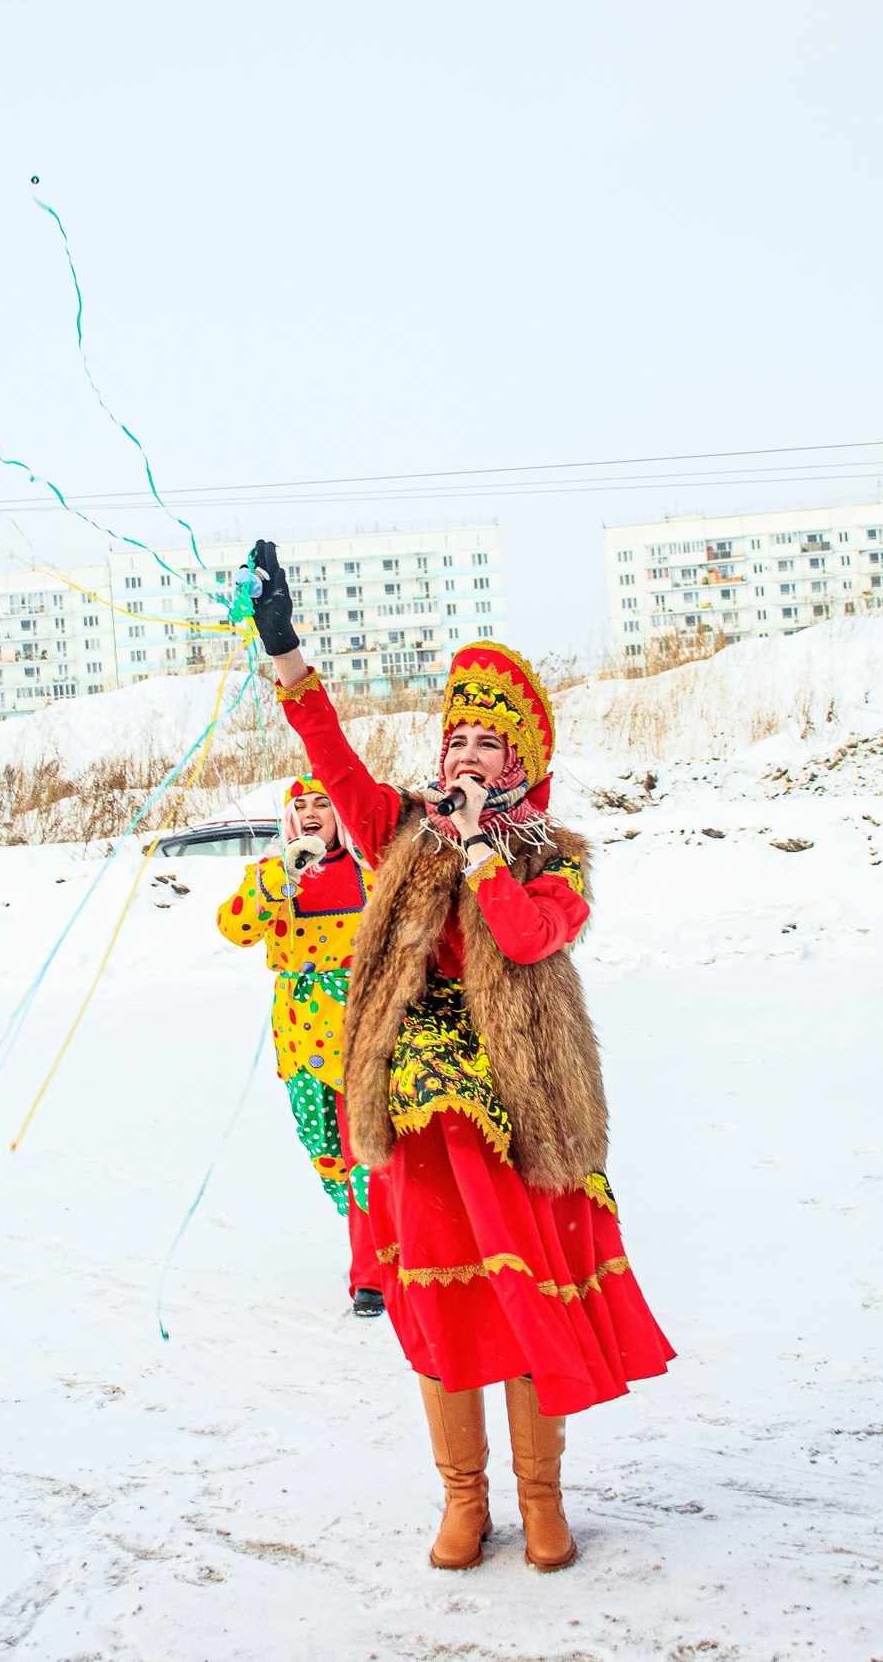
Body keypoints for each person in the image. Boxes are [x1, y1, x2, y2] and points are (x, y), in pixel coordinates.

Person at [246, 538, 673, 1574]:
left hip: (519, 1109)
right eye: (458, 737)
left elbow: (528, 939)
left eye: (490, 739)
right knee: (439, 1301)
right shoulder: (394, 827)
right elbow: (334, 763)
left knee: (523, 1300)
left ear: (520, 760)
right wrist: (286, 654)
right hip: (416, 1110)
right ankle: (463, 1501)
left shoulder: (553, 857)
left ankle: (540, 1499)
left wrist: (483, 850)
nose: (467, 752)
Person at [216, 774, 391, 1317]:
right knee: (328, 1154)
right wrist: (275, 878)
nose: (313, 813)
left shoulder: (372, 870)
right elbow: (234, 929)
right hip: (298, 1034)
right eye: (302, 805)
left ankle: (374, 1272)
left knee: (369, 1153)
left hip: (363, 1028)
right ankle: (377, 1244)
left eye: (324, 803)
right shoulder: (271, 875)